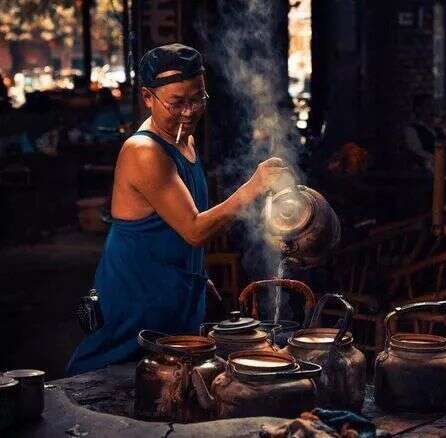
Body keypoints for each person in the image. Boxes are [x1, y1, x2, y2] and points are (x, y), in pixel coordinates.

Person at [67, 44, 288, 375]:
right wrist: (254, 186)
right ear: (147, 97)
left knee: (171, 389)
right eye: (177, 103)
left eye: (198, 99)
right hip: (136, 296)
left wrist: (201, 280)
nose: (189, 112)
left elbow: (174, 225)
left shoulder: (185, 139)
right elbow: (195, 229)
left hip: (176, 294)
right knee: (111, 381)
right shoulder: (144, 150)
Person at [403, 94, 446, 175]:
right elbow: (417, 152)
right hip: (429, 170)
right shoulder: (412, 129)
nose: (432, 110)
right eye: (428, 106)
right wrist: (439, 159)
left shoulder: (438, 128)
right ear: (418, 109)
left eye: (433, 107)